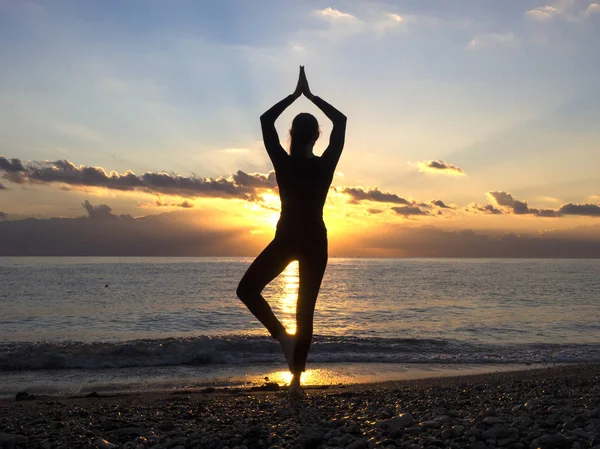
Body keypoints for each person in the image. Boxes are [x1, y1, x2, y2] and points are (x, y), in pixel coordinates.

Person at [236, 66, 347, 396]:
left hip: (288, 238)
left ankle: (283, 339)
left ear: (291, 135)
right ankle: (296, 381)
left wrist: (294, 96)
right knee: (304, 312)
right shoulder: (324, 165)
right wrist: (312, 97)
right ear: (316, 136)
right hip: (315, 238)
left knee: (247, 290)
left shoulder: (283, 162)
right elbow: (340, 123)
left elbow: (265, 122)